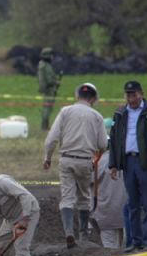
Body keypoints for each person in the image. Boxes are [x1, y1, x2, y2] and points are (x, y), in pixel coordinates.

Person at [43, 82, 107, 247]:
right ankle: (83, 235)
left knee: (67, 198)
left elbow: (52, 139)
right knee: (84, 197)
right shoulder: (97, 116)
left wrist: (47, 157)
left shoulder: (65, 111)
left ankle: (69, 232)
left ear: (77, 96)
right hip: (85, 161)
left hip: (67, 159)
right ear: (93, 98)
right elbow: (102, 144)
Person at [108, 80, 147, 251]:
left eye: (134, 95)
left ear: (141, 94)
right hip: (128, 162)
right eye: (128, 95)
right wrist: (113, 164)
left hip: (145, 162)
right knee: (132, 204)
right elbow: (114, 140)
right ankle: (136, 242)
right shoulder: (120, 113)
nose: (131, 98)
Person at [37, 47, 61, 131]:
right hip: (49, 90)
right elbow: (49, 80)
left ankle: (45, 125)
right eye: (51, 55)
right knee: (47, 108)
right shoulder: (46, 66)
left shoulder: (43, 65)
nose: (52, 57)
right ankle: (44, 126)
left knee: (47, 108)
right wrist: (56, 82)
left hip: (48, 90)